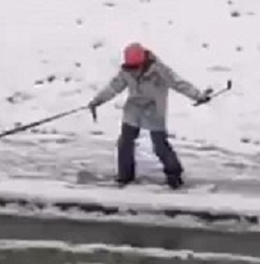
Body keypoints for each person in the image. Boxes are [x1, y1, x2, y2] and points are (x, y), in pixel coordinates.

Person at [87, 42, 211, 189]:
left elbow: (179, 83)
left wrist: (198, 96)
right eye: (130, 68)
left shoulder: (159, 69)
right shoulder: (126, 71)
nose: (133, 71)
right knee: (125, 141)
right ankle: (125, 175)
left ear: (143, 62)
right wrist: (97, 101)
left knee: (159, 144)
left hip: (154, 109)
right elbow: (114, 87)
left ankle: (174, 174)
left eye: (135, 67)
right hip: (134, 108)